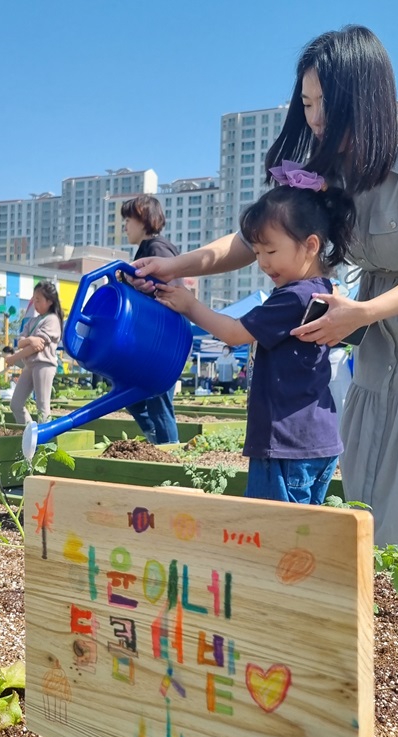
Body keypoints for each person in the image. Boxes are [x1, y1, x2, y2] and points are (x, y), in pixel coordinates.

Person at [137, 25, 398, 556]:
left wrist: (362, 312)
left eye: (324, 104)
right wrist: (172, 266)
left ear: (363, 99)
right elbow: (262, 237)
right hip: (372, 310)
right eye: (307, 103)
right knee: (368, 455)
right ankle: (370, 579)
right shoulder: (324, 167)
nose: (314, 119)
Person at [157, 180, 353, 503]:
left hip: (285, 445)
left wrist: (190, 305)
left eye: (271, 251)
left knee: (272, 538)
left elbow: (234, 333)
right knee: (302, 540)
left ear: (311, 245)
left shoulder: (294, 297)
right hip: (316, 441)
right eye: (258, 252)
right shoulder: (321, 288)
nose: (262, 263)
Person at [121, 194, 182, 444]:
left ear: (144, 219)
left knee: (159, 403)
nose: (125, 225)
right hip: (156, 338)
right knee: (132, 395)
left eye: (128, 219)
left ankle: (170, 456)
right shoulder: (147, 249)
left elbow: (174, 289)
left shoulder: (157, 249)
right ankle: (158, 443)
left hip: (165, 338)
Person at [4, 281, 63, 425]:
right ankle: (29, 432)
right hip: (30, 365)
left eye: (38, 300)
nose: (35, 303)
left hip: (44, 364)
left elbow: (36, 347)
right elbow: (21, 342)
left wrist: (13, 358)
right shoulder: (33, 320)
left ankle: (42, 440)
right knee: (16, 404)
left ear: (49, 301)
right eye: (34, 299)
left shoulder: (53, 320)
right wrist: (31, 339)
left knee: (42, 406)